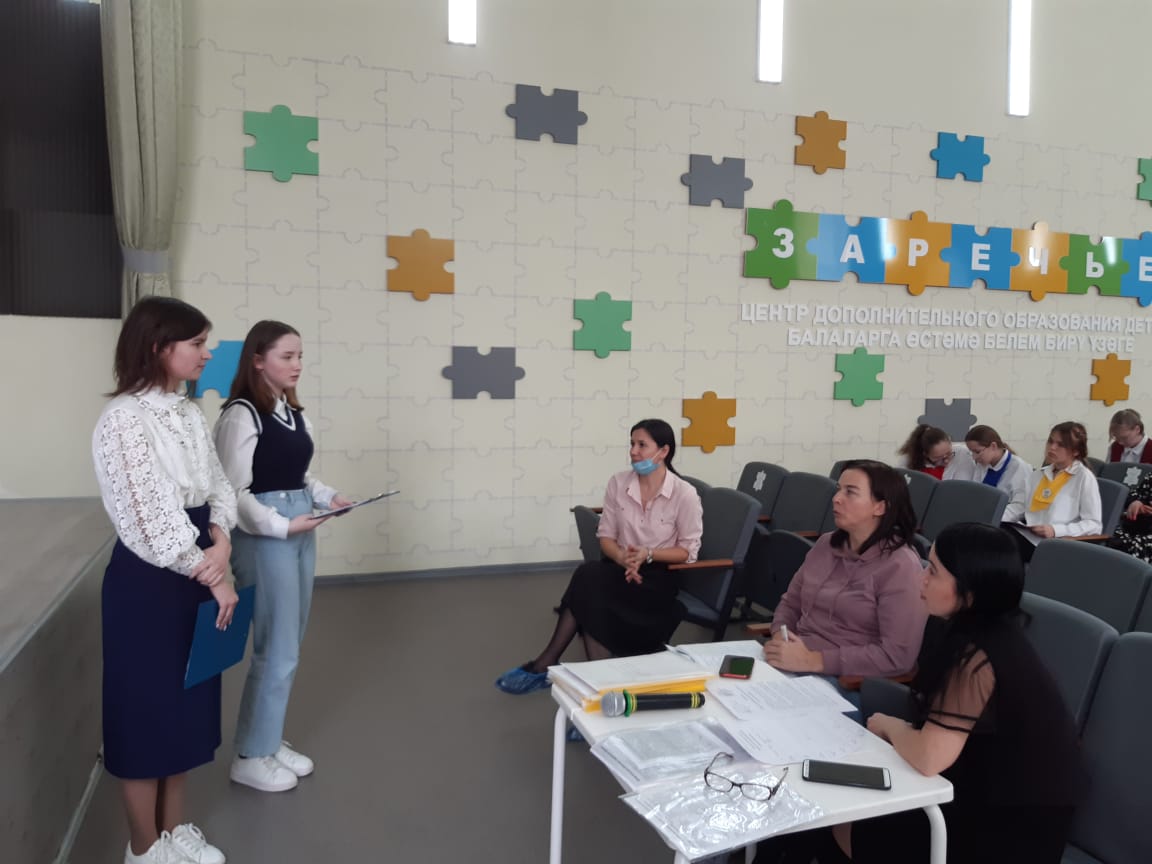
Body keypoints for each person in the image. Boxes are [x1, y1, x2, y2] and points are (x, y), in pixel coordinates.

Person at [834, 524, 1083, 864]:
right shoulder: (983, 629)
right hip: (984, 786)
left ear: (970, 591)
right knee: (850, 805)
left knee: (847, 822)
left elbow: (929, 758)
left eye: (934, 571)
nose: (922, 578)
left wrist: (890, 726)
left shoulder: (977, 658)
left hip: (1010, 827)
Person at [92, 297, 238, 864]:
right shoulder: (124, 419)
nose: (207, 353)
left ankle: (175, 832)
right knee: (144, 711)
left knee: (186, 707)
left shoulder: (188, 412)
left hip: (198, 567)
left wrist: (222, 540)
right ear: (158, 347)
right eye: (197, 343)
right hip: (149, 584)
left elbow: (219, 487)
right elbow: (148, 519)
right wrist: (213, 573)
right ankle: (143, 847)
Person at [213, 321, 352, 793]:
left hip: (299, 529)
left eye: (300, 356)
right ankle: (251, 755)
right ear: (258, 361)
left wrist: (329, 497)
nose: (297, 365)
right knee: (276, 647)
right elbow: (232, 493)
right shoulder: (240, 415)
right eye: (287, 357)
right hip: (266, 536)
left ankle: (267, 740)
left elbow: (299, 476)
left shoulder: (290, 412)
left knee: (289, 642)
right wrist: (283, 525)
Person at [494, 419, 703, 694]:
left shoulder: (684, 494)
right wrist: (623, 559)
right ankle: (600, 681)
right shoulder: (618, 483)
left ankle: (549, 665)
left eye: (642, 445)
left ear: (663, 451)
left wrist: (648, 554)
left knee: (587, 586)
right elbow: (606, 537)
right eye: (632, 444)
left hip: (658, 576)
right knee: (589, 577)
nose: (633, 451)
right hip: (620, 566)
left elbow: (688, 552)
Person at [761, 460, 926, 680]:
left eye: (850, 492)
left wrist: (813, 661)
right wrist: (780, 635)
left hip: (845, 678)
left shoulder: (901, 566)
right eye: (838, 489)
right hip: (795, 659)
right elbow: (791, 602)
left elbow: (897, 657)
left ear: (880, 507)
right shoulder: (826, 544)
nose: (836, 498)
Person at [1003, 422, 1102, 546]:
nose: (1052, 447)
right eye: (1050, 441)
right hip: (1029, 537)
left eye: (1061, 445)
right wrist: (993, 516)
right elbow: (1019, 507)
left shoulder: (1084, 478)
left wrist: (1055, 530)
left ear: (1076, 451)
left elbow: (1093, 525)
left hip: (1059, 544)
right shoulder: (1037, 475)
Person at [963, 425, 1031, 508]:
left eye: (977, 452)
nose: (974, 457)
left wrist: (993, 515)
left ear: (993, 446)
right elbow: (975, 494)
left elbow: (1020, 506)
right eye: (971, 452)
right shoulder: (981, 464)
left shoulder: (1019, 467)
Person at [897, 424, 976, 481]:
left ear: (950, 442)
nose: (946, 461)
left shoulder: (962, 454)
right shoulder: (907, 460)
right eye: (938, 458)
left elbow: (964, 487)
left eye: (949, 453)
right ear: (925, 454)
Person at [1107, 468, 1152, 561]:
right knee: (1107, 535)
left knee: (1134, 548)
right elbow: (1134, 495)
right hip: (1134, 526)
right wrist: (1136, 502)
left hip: (1147, 536)